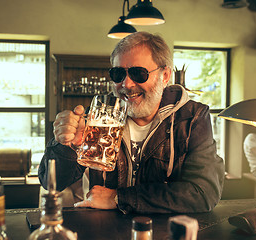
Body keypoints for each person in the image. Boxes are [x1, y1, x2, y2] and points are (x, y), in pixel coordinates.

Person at [38, 32, 225, 214]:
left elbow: (203, 193)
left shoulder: (191, 117)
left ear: (165, 75)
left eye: (138, 73)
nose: (126, 84)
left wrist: (118, 198)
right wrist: (66, 146)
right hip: (104, 231)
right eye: (118, 74)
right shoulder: (100, 118)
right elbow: (50, 182)